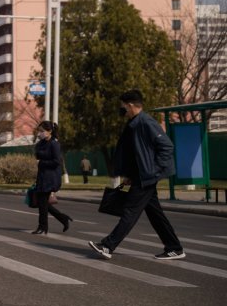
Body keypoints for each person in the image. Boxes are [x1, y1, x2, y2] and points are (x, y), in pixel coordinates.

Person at [89, 90, 185, 260]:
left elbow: (167, 146)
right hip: (139, 175)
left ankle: (108, 246)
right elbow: (136, 154)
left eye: (123, 107)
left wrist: (153, 170)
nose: (122, 110)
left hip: (146, 177)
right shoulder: (135, 122)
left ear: (131, 105)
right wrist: (130, 174)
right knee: (155, 214)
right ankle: (175, 247)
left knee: (130, 211)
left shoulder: (146, 122)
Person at [31, 120, 72, 235]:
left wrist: (41, 163)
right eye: (39, 131)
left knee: (42, 203)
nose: (40, 133)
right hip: (42, 177)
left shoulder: (54, 144)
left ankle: (43, 227)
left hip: (50, 178)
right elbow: (38, 154)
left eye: (42, 131)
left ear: (49, 131)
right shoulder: (41, 143)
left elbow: (56, 162)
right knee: (42, 203)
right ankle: (63, 218)